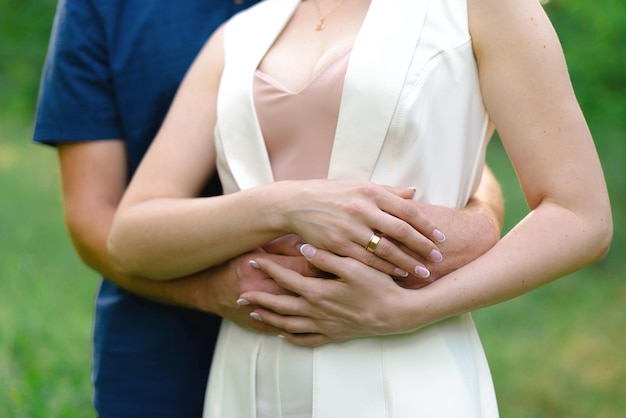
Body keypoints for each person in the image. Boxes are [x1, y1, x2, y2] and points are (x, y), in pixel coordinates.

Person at [108, 0, 613, 416]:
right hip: (249, 373)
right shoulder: (238, 35)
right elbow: (130, 240)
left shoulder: (482, 8)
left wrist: (407, 310)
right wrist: (284, 205)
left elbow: (580, 216)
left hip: (409, 370)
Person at [33, 0, 504, 417]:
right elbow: (95, 217)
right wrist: (217, 290)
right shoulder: (106, 8)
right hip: (165, 333)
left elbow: (435, 143)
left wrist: (480, 219)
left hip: (370, 322)